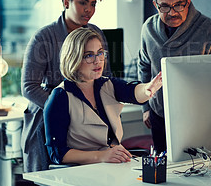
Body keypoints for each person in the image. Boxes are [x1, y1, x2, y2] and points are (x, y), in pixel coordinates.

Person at [21, 0, 112, 172]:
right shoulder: (43, 37)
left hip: (88, 122)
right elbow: (28, 87)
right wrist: (63, 110)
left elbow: (106, 78)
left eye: (93, 4)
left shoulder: (95, 33)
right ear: (66, 2)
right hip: (49, 122)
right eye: (82, 2)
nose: (89, 9)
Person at [138, 0, 211, 153]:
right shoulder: (148, 29)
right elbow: (144, 67)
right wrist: (145, 107)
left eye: (178, 5)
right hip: (159, 115)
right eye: (164, 6)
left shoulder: (209, 30)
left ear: (188, 2)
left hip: (198, 119)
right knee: (164, 174)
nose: (172, 12)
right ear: (155, 4)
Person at [44, 28, 162, 165]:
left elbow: (132, 92)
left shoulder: (107, 84)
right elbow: (58, 154)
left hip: (110, 166)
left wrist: (148, 89)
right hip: (81, 171)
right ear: (73, 58)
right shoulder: (60, 97)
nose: (98, 60)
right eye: (89, 55)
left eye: (100, 53)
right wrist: (102, 156)